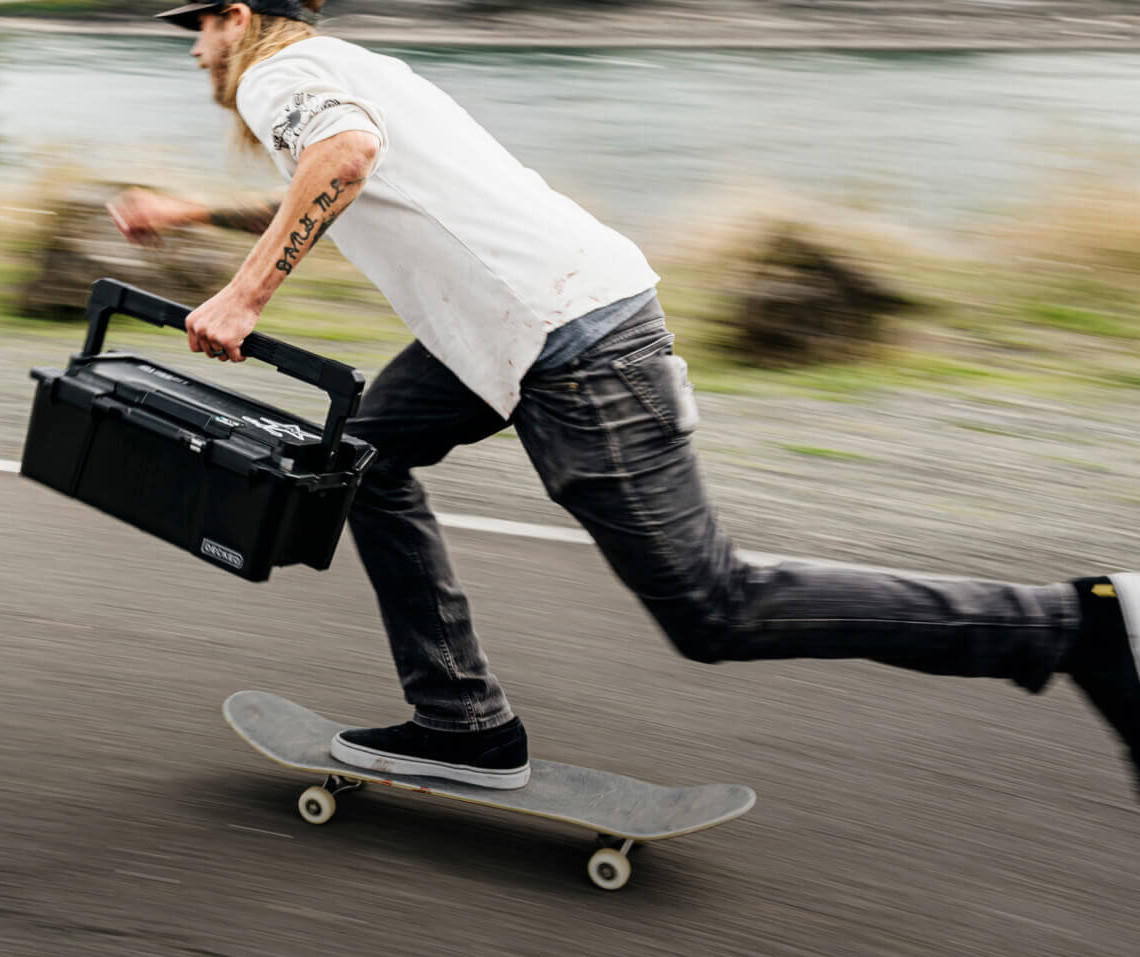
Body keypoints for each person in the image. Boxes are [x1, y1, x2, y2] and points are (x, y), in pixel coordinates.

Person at [107, 1, 1138, 794]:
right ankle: (463, 722)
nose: (194, 49)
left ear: (238, 16)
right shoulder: (343, 65)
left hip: (568, 343)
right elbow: (338, 177)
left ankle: (1069, 623)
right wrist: (195, 208)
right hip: (511, 328)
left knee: (713, 607)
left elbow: (343, 158)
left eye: (197, 27)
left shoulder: (275, 74)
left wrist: (243, 294)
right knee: (359, 464)